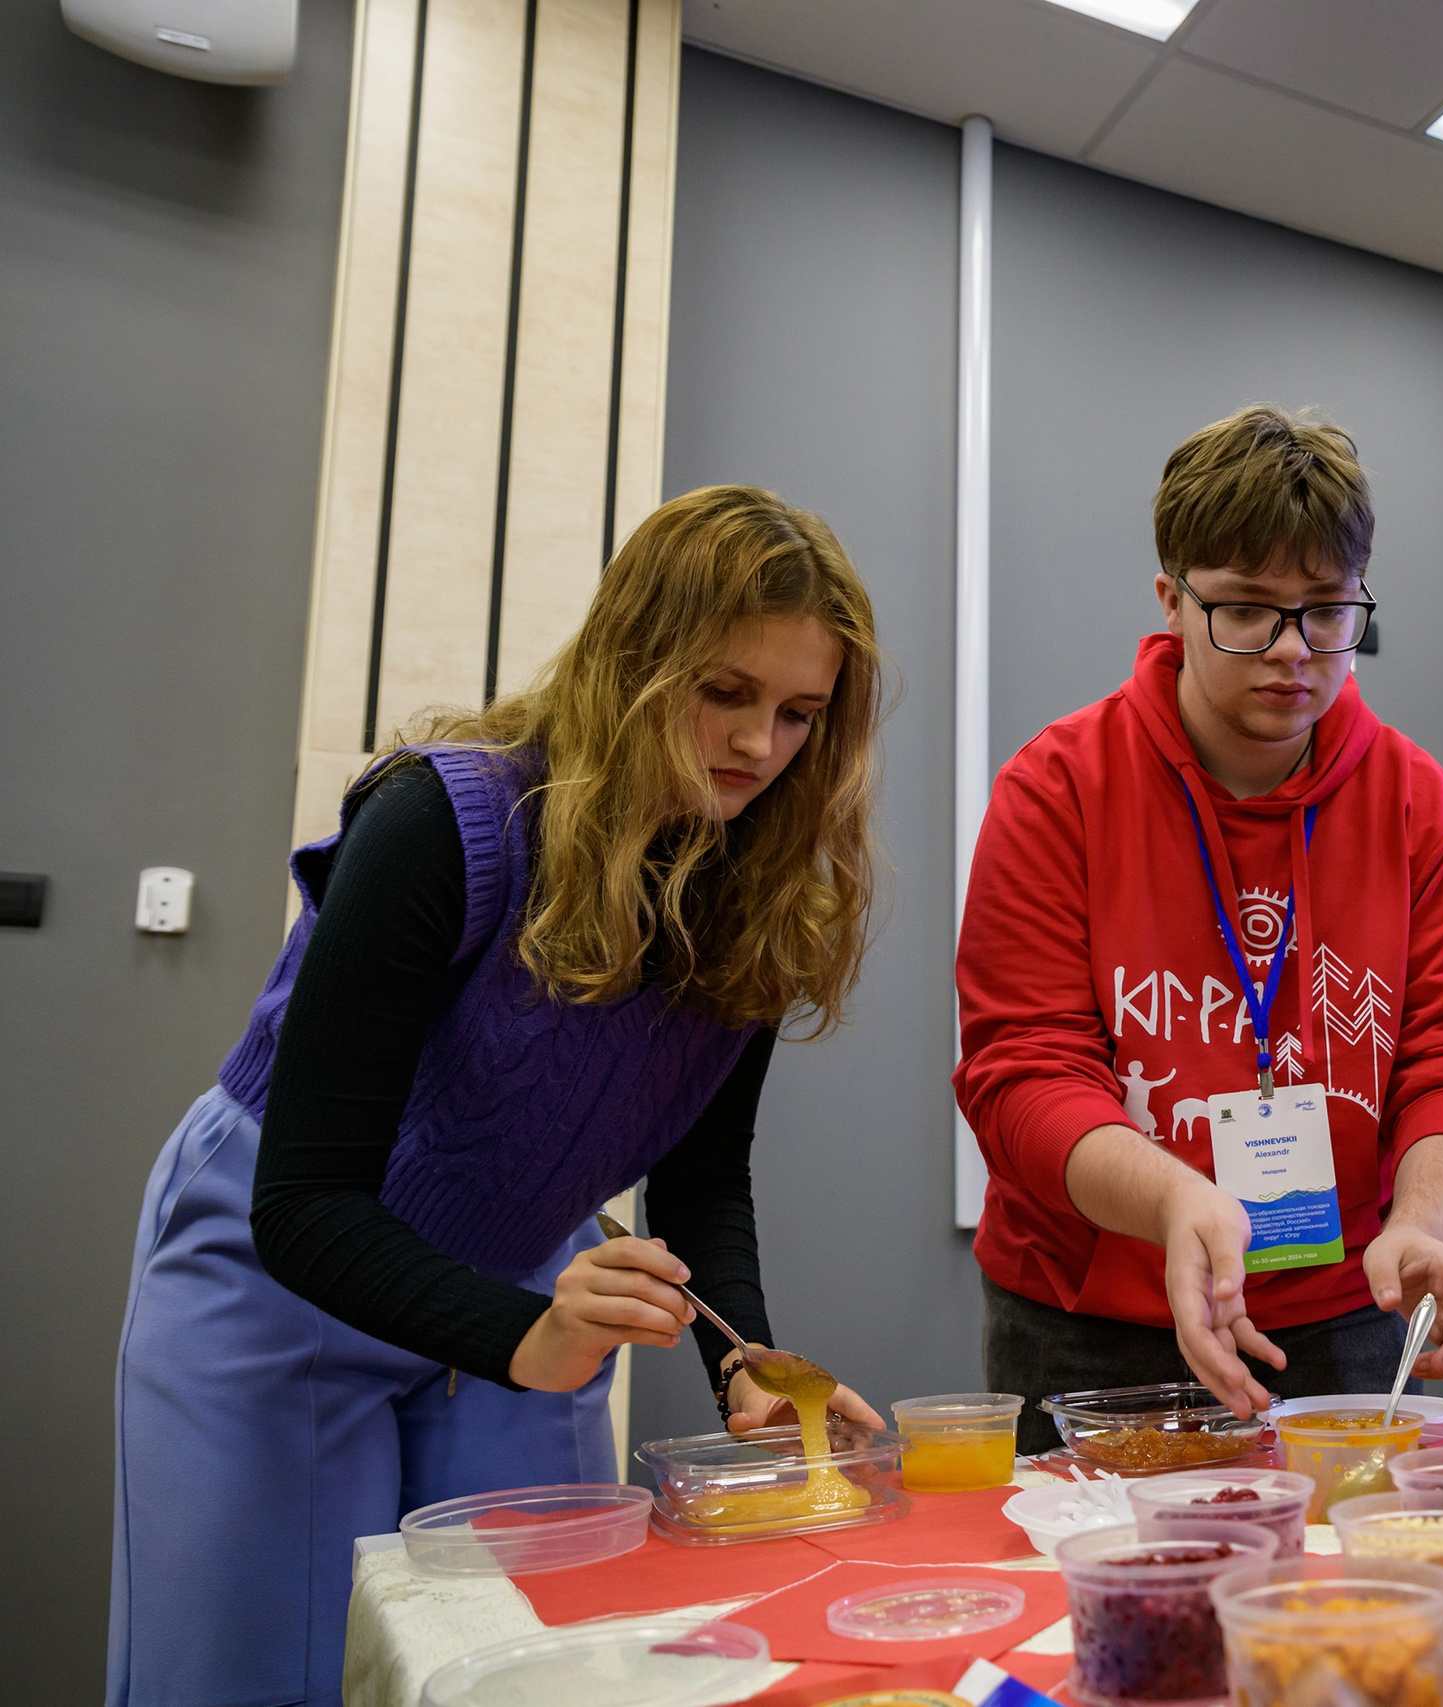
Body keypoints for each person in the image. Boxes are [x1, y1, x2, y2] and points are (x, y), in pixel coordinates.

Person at [110, 486, 889, 1704]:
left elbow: (698, 1176)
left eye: (800, 713)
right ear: (633, 663)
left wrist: (742, 1360)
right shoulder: (440, 819)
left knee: (525, 1666)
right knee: (266, 1673)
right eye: (724, 693)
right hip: (280, 1274)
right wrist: (528, 1338)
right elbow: (307, 1200)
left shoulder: (761, 892)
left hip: (527, 1280)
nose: (758, 747)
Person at [956, 405, 1443, 1443]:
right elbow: (1021, 1073)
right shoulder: (1057, 790)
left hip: (1345, 1310)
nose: (1290, 652)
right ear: (1172, 601)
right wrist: (1176, 1202)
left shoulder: (1421, 807)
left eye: (1324, 611)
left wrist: (1421, 1227)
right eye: (1246, 611)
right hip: (1090, 1317)